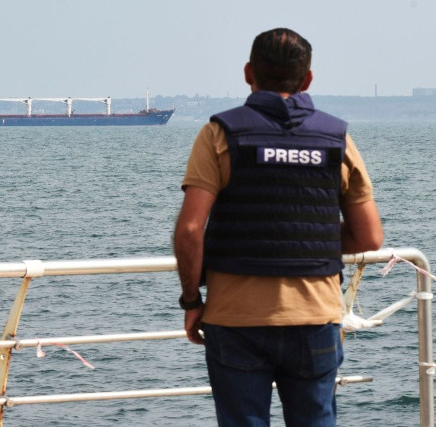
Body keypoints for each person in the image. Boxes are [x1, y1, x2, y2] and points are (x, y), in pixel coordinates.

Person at [173, 28, 383, 426]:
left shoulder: (219, 134)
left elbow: (189, 231)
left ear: (248, 72)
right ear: (308, 79)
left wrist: (190, 301)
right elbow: (369, 237)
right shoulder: (336, 138)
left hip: (234, 320)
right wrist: (309, 239)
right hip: (315, 317)